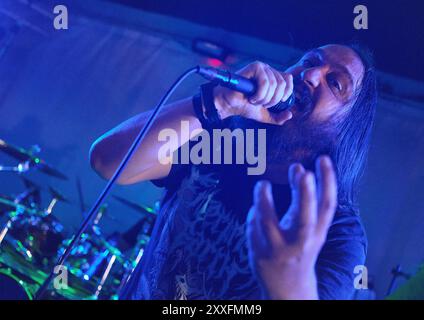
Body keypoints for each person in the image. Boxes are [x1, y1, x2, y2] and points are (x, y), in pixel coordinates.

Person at [89, 43, 378, 299]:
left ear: (345, 130)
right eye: (311, 61)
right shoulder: (220, 145)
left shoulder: (339, 233)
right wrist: (218, 102)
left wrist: (290, 287)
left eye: (336, 83)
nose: (311, 75)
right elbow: (108, 161)